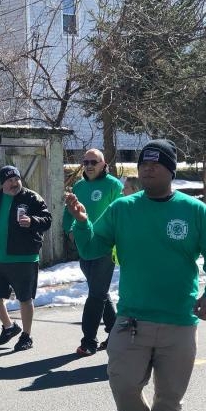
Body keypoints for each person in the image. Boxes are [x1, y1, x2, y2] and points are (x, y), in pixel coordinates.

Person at [65, 139, 206, 411]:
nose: (148, 168)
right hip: (132, 318)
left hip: (178, 319)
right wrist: (83, 222)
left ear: (171, 169)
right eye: (144, 163)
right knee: (123, 382)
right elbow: (93, 245)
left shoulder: (194, 211)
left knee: (170, 394)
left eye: (157, 163)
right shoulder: (123, 209)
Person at [0, 166, 52, 351]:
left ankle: (26, 336)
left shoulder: (31, 198)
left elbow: (48, 219)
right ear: (2, 182)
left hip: (24, 257)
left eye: (16, 179)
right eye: (10, 180)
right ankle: (9, 327)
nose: (14, 183)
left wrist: (33, 221)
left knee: (25, 298)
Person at [62, 149, 123, 356]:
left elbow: (120, 214)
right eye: (86, 162)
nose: (89, 165)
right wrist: (70, 231)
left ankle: (89, 341)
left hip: (105, 248)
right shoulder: (79, 186)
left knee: (95, 296)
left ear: (103, 163)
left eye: (93, 162)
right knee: (100, 293)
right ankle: (116, 334)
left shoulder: (114, 185)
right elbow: (67, 215)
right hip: (84, 248)